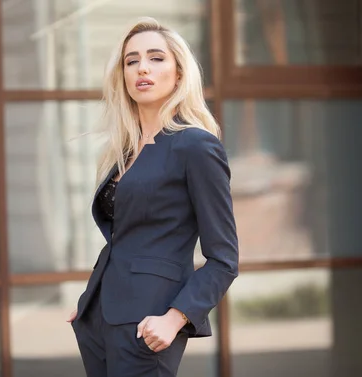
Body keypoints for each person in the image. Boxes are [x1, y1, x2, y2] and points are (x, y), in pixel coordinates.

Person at [66, 17, 239, 377]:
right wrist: (89, 302)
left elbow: (224, 258)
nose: (142, 67)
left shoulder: (196, 146)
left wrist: (175, 318)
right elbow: (125, 238)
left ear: (178, 73)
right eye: (132, 61)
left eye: (156, 58)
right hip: (99, 320)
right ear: (123, 77)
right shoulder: (126, 151)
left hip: (150, 324)